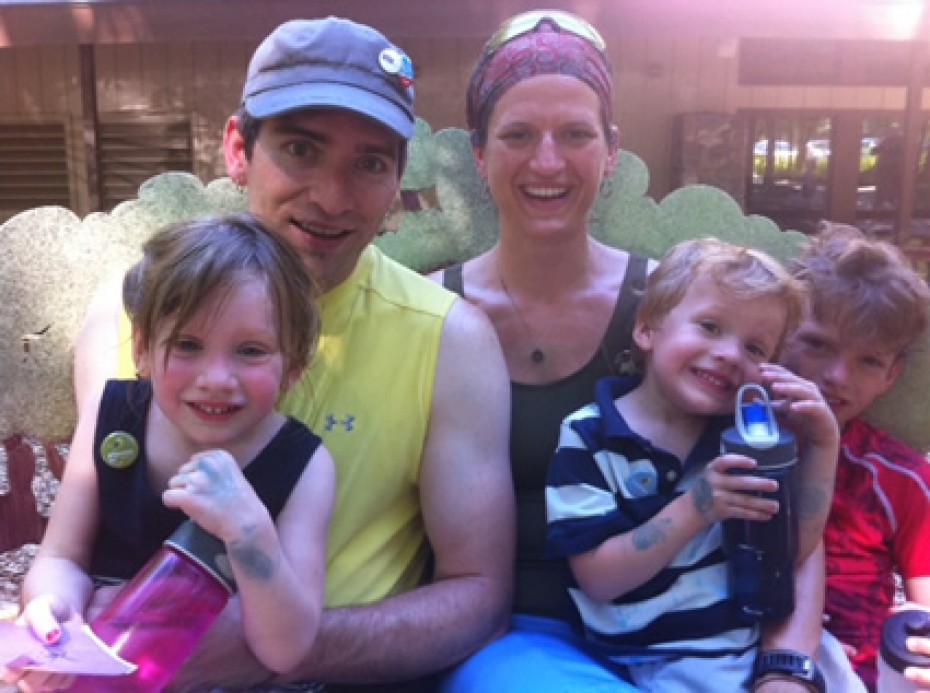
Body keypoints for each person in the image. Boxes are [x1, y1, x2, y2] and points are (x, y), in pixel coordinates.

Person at [71, 16, 513, 691]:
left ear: (398, 182)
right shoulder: (133, 313)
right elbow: (76, 539)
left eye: (370, 162)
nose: (333, 198)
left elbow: (480, 595)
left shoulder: (450, 340)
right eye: (301, 150)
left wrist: (275, 647)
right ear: (238, 149)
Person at [434, 10, 845, 693]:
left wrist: (786, 669)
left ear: (610, 151)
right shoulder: (433, 311)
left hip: (720, 638)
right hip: (524, 640)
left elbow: (783, 508)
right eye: (517, 135)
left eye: (575, 134)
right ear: (479, 154)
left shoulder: (696, 314)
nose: (546, 161)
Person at [2, 213, 336, 691]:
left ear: (294, 367)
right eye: (187, 344)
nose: (216, 377)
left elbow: (287, 648)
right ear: (141, 349)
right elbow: (61, 557)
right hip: (100, 669)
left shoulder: (304, 466)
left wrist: (250, 532)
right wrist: (55, 606)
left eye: (251, 350)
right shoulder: (111, 415)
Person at [544, 237, 839, 690]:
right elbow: (598, 580)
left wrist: (822, 447)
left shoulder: (746, 442)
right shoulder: (589, 436)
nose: (730, 354)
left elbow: (791, 552)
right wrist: (697, 506)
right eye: (709, 326)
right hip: (667, 660)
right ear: (647, 329)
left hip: (756, 650)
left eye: (756, 349)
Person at [780, 223, 930, 691]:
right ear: (781, 332)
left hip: (863, 675)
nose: (837, 376)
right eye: (818, 344)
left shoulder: (901, 477)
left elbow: (925, 605)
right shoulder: (725, 441)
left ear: (892, 375)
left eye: (869, 361)